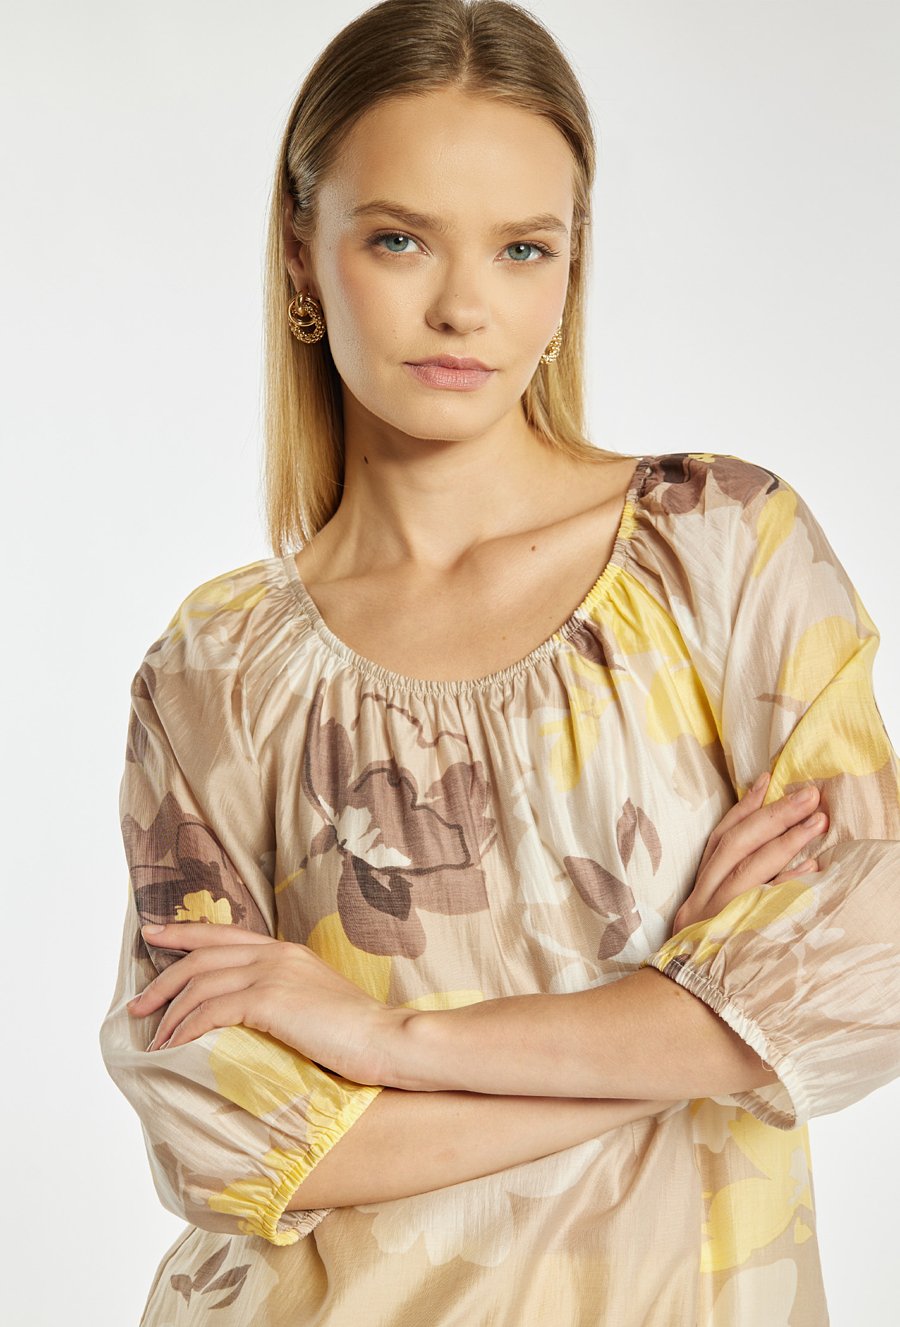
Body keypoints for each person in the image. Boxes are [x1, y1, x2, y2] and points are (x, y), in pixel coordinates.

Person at [99, 1, 900, 1322]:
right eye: (399, 238)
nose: (465, 306)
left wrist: (385, 1040)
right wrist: (692, 1020)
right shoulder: (215, 672)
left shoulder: (719, 550)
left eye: (524, 248)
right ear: (301, 256)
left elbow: (863, 968)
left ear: (571, 270)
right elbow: (229, 1140)